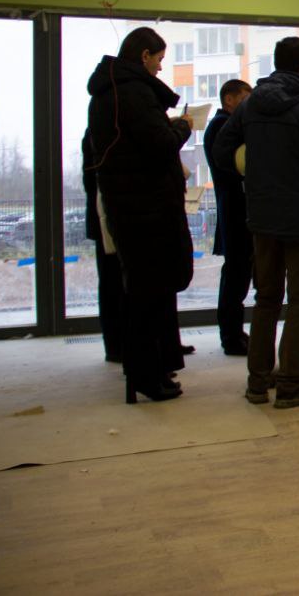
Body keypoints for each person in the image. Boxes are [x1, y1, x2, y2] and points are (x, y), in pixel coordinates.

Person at [213, 36, 299, 409]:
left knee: (266, 300)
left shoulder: (251, 103)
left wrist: (255, 173)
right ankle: (291, 385)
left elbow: (222, 151)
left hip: (262, 218)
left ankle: (257, 384)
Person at [86, 27, 194, 403]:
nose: (161, 67)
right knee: (149, 295)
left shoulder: (110, 93)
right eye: (159, 59)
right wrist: (182, 127)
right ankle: (147, 376)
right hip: (147, 210)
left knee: (145, 294)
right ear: (145, 55)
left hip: (131, 206)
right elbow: (158, 145)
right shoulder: (132, 92)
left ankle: (150, 371)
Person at [203, 78, 253, 356]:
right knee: (236, 273)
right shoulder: (222, 127)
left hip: (236, 206)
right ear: (229, 99)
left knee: (239, 272)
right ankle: (230, 335)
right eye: (244, 98)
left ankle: (234, 331)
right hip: (235, 208)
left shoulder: (226, 126)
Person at [82, 131, 126, 364]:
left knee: (113, 283)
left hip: (107, 217)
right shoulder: (98, 136)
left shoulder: (98, 134)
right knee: (111, 283)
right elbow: (93, 182)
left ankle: (118, 344)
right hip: (106, 219)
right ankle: (115, 345)